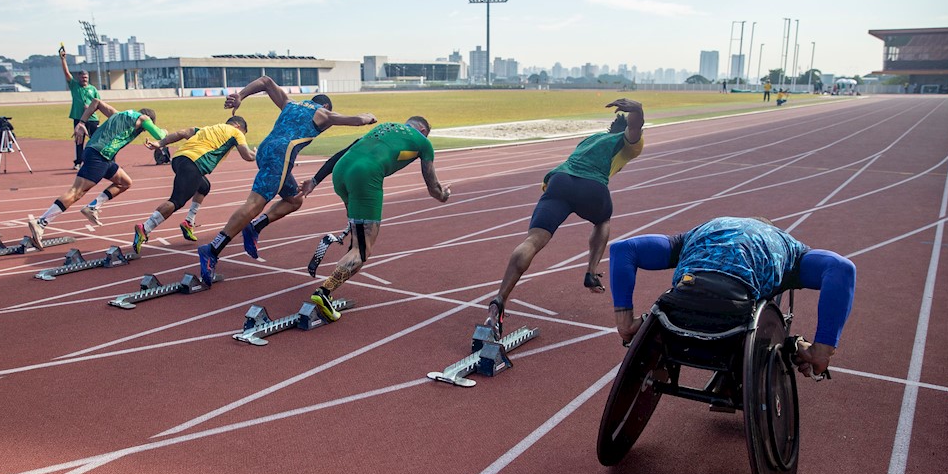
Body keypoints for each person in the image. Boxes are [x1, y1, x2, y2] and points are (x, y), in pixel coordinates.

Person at [608, 216, 856, 378]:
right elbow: (842, 269)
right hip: (735, 314)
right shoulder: (788, 246)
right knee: (754, 314)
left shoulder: (705, 230)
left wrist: (625, 321)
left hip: (680, 306)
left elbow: (623, 249)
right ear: (769, 228)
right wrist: (822, 350)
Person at [483, 98, 645, 338]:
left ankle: (499, 299)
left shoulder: (590, 139)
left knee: (533, 240)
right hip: (592, 185)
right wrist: (638, 110)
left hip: (558, 181)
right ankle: (591, 271)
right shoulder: (627, 143)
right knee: (602, 221)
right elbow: (635, 127)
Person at [196, 76, 377, 285]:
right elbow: (358, 120)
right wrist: (370, 116)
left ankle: (254, 227)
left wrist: (241, 96)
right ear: (326, 104)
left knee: (294, 199)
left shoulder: (290, 104)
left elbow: (265, 81)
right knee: (255, 204)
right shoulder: (323, 113)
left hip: (265, 149)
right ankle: (211, 249)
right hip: (281, 155)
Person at [308, 117, 450, 321]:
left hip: (340, 171)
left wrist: (314, 181)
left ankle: (348, 257)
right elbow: (433, 188)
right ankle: (324, 292)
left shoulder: (384, 127)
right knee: (363, 250)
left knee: (358, 234)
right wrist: (444, 195)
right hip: (366, 175)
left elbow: (340, 153)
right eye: (426, 133)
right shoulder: (423, 142)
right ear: (421, 129)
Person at [27, 98, 167, 249]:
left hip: (104, 157)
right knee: (76, 192)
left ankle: (92, 207)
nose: (144, 130)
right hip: (99, 155)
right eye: (147, 128)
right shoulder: (143, 118)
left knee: (125, 182)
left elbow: (96, 102)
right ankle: (41, 222)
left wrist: (81, 123)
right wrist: (164, 131)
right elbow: (159, 135)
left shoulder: (117, 114)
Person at [132, 116, 255, 253]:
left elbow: (182, 133)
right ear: (238, 126)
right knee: (176, 201)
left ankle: (189, 222)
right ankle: (145, 228)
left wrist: (160, 143)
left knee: (204, 186)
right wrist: (258, 154)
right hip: (194, 163)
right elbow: (247, 155)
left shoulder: (207, 129)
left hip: (179, 159)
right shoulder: (236, 133)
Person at [60, 45, 101, 170]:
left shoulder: (93, 89)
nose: (84, 79)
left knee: (95, 141)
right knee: (79, 140)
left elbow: (99, 104)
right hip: (78, 117)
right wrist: (63, 59)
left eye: (86, 77)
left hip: (92, 118)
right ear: (79, 77)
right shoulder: (74, 86)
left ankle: (96, 160)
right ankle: (78, 162)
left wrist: (90, 107)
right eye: (82, 77)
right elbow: (66, 73)